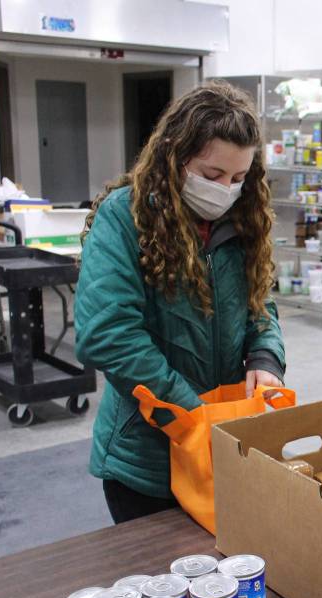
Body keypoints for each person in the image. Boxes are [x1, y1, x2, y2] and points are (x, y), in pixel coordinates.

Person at [75, 82, 285, 524]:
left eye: (238, 178)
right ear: (175, 154)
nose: (226, 189)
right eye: (212, 176)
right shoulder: (124, 218)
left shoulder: (242, 221)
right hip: (147, 460)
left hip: (222, 445)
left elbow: (260, 305)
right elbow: (107, 335)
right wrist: (188, 413)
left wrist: (266, 356)